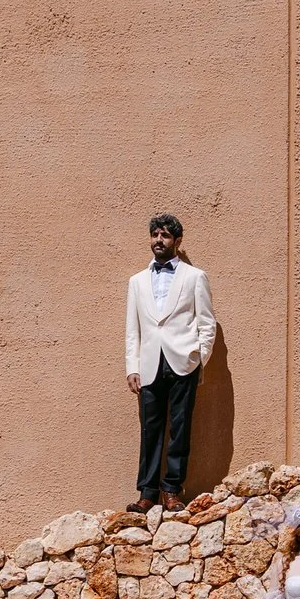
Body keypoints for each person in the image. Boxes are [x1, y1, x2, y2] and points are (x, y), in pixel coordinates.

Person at [124, 212, 217, 513]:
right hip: (150, 363)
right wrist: (132, 367)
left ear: (177, 241)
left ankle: (172, 490)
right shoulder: (136, 282)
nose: (158, 240)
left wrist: (198, 358)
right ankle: (147, 492)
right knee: (150, 429)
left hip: (183, 362)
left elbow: (207, 323)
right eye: (155, 235)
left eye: (165, 235)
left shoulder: (194, 277)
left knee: (180, 427)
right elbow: (132, 329)